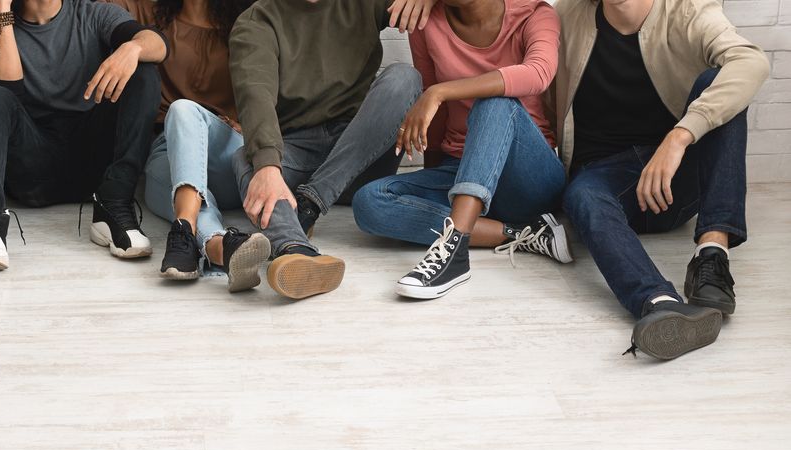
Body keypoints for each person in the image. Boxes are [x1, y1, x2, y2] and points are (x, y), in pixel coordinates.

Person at [557, 0, 768, 360]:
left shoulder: (687, 10)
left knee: (720, 81)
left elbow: (752, 61)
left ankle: (712, 256)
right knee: (582, 194)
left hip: (673, 180)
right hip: (605, 181)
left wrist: (680, 136)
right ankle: (660, 303)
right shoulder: (566, 14)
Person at [351, 0, 567, 300]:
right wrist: (432, 169)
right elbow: (435, 116)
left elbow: (538, 73)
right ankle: (521, 232)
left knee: (495, 102)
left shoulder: (534, 13)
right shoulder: (428, 22)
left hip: (526, 176)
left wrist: (439, 92)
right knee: (370, 201)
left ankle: (455, 251)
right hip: (463, 168)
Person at [0, 0, 168, 272]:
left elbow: (159, 45)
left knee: (144, 71)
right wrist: (1, 11)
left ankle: (114, 207)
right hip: (32, 167)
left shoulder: (94, 14)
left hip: (94, 161)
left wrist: (133, 47)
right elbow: (6, 92)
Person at [228, 0, 426, 300]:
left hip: (361, 152)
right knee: (248, 159)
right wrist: (267, 165)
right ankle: (295, 249)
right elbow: (256, 95)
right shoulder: (257, 21)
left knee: (404, 78)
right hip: (301, 151)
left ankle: (308, 206)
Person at [111, 0, 267, 289]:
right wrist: (133, 46)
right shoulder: (149, 11)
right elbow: (97, 10)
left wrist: (254, 122)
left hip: (226, 150)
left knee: (183, 109)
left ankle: (182, 233)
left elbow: (269, 82)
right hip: (169, 152)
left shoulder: (246, 18)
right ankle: (220, 248)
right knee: (177, 186)